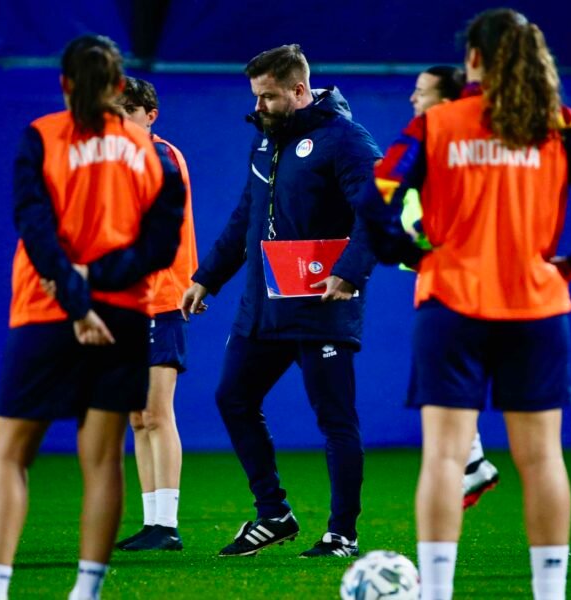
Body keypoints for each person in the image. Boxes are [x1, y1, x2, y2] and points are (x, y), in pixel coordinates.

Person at [357, 9, 571, 599]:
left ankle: (436, 593)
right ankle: (549, 594)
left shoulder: (437, 124)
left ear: (474, 60)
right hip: (535, 309)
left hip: (451, 305)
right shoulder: (559, 125)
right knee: (541, 459)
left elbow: (376, 196)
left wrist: (408, 249)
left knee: (442, 458)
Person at [0, 35, 184, 600]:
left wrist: (78, 296)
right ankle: (87, 591)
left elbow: (35, 229)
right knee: (104, 457)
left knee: (10, 455)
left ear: (64, 84)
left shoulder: (41, 136)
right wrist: (104, 288)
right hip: (125, 316)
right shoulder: (152, 153)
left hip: (45, 308)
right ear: (117, 87)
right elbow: (161, 246)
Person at [180, 44, 379, 558]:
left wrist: (349, 272)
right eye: (256, 96)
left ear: (298, 90)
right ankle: (273, 514)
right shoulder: (266, 142)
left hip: (322, 302)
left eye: (269, 96)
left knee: (335, 420)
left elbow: (378, 211)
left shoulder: (345, 139)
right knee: (233, 398)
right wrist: (207, 278)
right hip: (264, 305)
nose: (260, 105)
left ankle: (342, 533)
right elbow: (245, 217)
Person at [406, 64, 500, 509]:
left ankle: (471, 464)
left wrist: (417, 238)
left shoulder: (446, 149)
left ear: (446, 103)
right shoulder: (438, 147)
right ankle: (474, 460)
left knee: (444, 393)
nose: (412, 99)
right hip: (446, 280)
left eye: (421, 92)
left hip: (456, 287)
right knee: (445, 387)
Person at [110, 77, 198, 552]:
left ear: (150, 114)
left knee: (157, 413)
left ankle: (167, 524)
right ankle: (154, 523)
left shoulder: (160, 156)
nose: (119, 120)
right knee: (138, 417)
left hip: (159, 297)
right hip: (128, 301)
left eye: (129, 110)